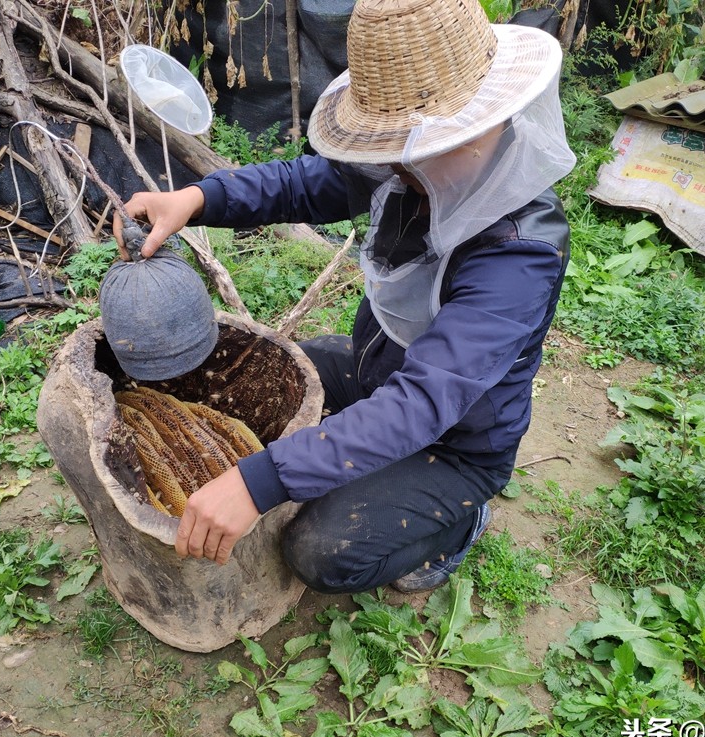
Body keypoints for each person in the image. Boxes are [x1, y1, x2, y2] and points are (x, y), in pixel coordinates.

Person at [112, 0, 576, 593]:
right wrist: (199, 200)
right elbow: (304, 183)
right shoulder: (410, 165)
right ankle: (352, 441)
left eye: (410, 150)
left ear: (488, 120)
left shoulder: (519, 254)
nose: (394, 166)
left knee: (321, 551)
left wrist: (258, 483)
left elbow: (425, 401)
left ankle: (459, 521)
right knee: (250, 379)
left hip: (458, 437)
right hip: (375, 366)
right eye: (390, 150)